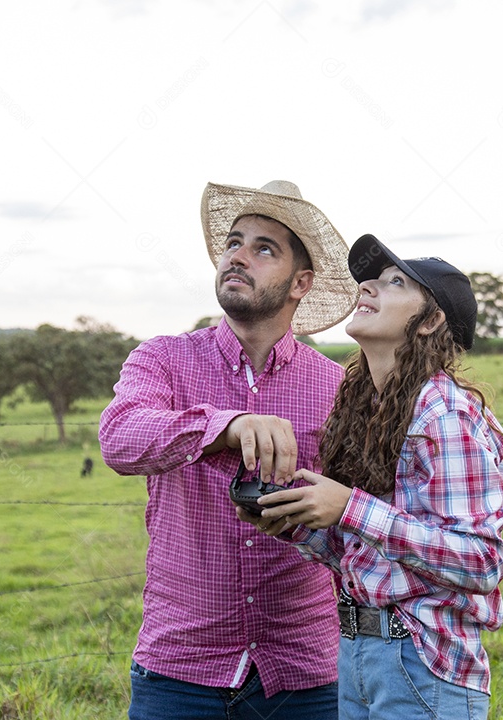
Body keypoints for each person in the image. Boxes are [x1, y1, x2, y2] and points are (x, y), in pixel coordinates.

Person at [98, 180, 358, 719]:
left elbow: (359, 517)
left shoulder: (337, 387)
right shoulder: (163, 359)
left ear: (300, 282)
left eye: (264, 249)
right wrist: (227, 427)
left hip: (304, 671)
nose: (238, 256)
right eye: (233, 243)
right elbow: (121, 438)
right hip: (180, 668)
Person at [246, 233, 503, 720]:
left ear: (430, 321)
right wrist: (297, 523)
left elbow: (482, 561)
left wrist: (350, 507)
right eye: (370, 280)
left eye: (394, 283)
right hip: (358, 655)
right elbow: (373, 557)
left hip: (423, 664)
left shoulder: (443, 413)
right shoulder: (369, 410)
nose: (367, 287)